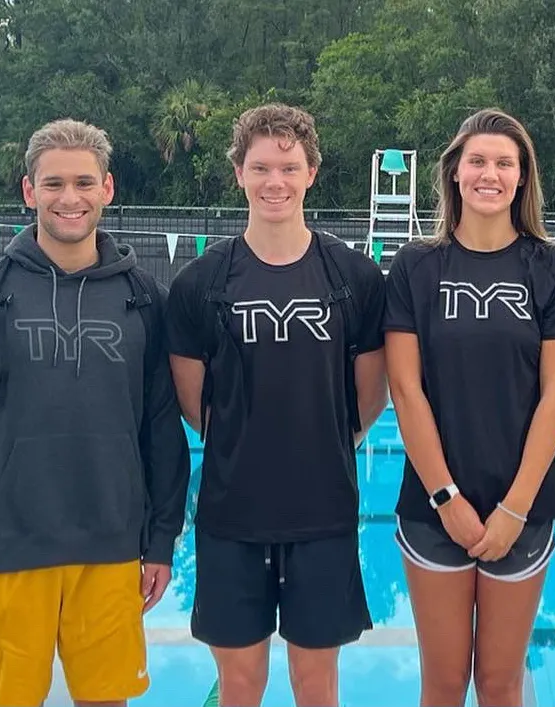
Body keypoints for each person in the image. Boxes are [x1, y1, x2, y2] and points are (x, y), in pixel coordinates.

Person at [0, 118, 189, 707]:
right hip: (10, 546)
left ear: (107, 188)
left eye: (84, 182)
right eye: (53, 184)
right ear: (29, 192)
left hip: (110, 545)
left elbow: (162, 427)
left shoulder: (145, 299)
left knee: (105, 699)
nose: (70, 198)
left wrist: (161, 541)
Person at [166, 103, 387, 707]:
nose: (275, 182)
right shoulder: (200, 284)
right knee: (241, 687)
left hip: (323, 516)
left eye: (289, 167)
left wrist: (322, 444)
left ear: (311, 172)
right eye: (261, 167)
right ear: (239, 172)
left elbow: (371, 397)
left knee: (317, 687)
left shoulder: (354, 278)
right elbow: (194, 404)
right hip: (231, 518)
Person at [384, 108, 555, 707]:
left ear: (522, 177)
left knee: (501, 685)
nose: (490, 174)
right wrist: (446, 498)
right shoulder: (417, 267)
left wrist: (513, 508)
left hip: (522, 506)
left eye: (505, 163)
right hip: (432, 507)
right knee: (444, 685)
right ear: (454, 173)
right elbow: (406, 390)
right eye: (477, 161)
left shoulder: (553, 269)